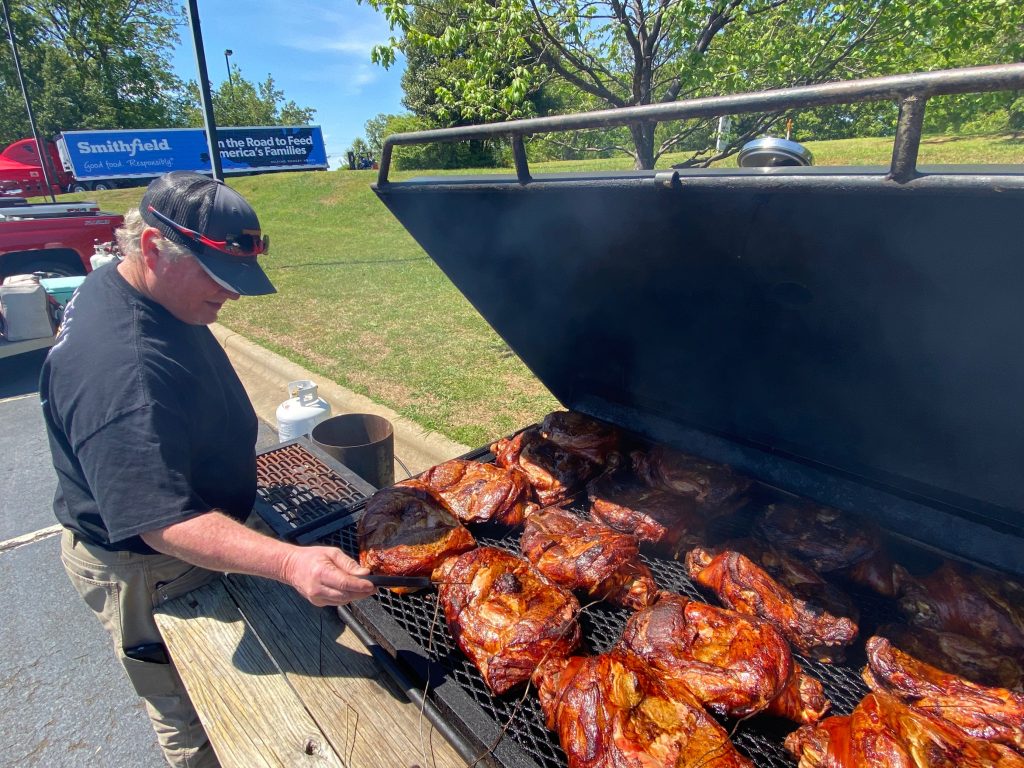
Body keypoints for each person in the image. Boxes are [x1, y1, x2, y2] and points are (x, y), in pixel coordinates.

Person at [39, 171, 376, 768]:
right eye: (218, 277)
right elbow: (160, 520)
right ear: (150, 248)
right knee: (194, 709)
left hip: (185, 516)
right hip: (150, 567)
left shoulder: (127, 284)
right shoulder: (123, 373)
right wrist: (289, 561)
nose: (235, 293)